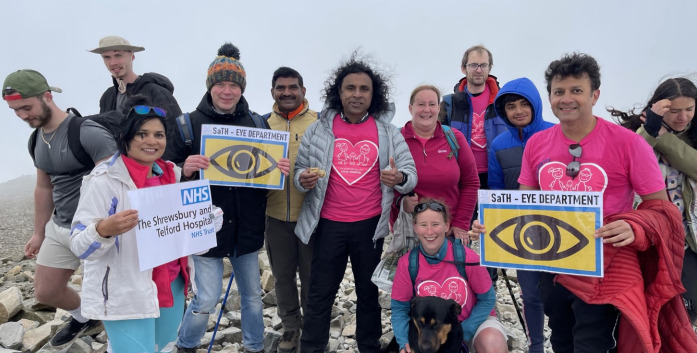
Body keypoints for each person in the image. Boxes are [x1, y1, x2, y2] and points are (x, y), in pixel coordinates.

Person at [474, 53, 697, 352]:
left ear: (595, 95)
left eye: (576, 90)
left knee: (593, 343)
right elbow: (524, 205)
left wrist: (636, 227)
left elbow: (660, 210)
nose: (566, 99)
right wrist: (493, 224)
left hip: (606, 267)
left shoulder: (628, 143)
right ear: (550, 97)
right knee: (562, 340)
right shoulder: (537, 144)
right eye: (559, 91)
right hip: (552, 266)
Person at [168, 43, 290, 353]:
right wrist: (184, 169)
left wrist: (278, 169)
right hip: (204, 229)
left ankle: (254, 347)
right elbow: (162, 172)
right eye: (220, 84)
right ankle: (186, 345)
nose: (227, 91)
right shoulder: (187, 124)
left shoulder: (258, 124)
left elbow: (263, 180)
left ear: (241, 88)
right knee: (206, 297)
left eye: (233, 84)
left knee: (251, 295)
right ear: (210, 86)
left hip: (247, 227)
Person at [293, 53, 417, 353]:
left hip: (370, 228)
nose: (357, 94)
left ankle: (368, 347)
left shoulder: (388, 132)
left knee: (368, 293)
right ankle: (311, 347)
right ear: (339, 92)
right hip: (328, 225)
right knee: (320, 294)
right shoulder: (320, 129)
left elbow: (411, 176)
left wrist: (398, 177)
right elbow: (300, 170)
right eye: (350, 88)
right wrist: (302, 180)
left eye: (364, 89)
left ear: (374, 95)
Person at [70, 100, 204, 352]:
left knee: (162, 347)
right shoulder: (103, 181)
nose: (151, 141)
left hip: (171, 283)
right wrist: (103, 230)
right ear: (125, 137)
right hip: (125, 292)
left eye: (158, 135)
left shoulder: (171, 174)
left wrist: (205, 221)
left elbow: (180, 232)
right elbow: (78, 245)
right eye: (142, 134)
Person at [3, 69, 115, 346]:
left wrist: (108, 228)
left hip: (96, 229)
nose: (22, 115)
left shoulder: (86, 132)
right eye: (15, 110)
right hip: (60, 225)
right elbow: (44, 187)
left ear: (47, 96)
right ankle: (84, 317)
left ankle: (119, 338)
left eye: (26, 107)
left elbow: (118, 180)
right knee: (45, 291)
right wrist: (39, 232)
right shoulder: (36, 140)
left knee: (109, 297)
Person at [610, 77, 697, 324]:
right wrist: (649, 133)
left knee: (687, 307)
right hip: (643, 235)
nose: (682, 117)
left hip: (687, 237)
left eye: (689, 109)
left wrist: (665, 139)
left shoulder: (693, 135)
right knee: (647, 307)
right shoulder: (635, 133)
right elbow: (623, 166)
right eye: (674, 110)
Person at [486, 77, 554, 353]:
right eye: (511, 106)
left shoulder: (557, 133)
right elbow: (496, 191)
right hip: (522, 231)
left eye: (524, 104)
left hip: (561, 227)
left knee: (564, 294)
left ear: (536, 104)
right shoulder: (499, 145)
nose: (518, 111)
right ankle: (535, 345)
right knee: (531, 295)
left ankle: (566, 343)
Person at [391, 199, 508, 353]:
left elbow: (488, 299)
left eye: (435, 224)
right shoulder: (408, 263)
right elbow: (399, 308)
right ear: (415, 227)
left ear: (446, 226)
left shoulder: (466, 257)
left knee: (492, 344)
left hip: (472, 323)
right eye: (423, 225)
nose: (430, 231)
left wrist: (462, 333)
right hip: (428, 330)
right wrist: (403, 341)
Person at [265, 67, 318, 353]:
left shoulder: (320, 123)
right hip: (274, 215)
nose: (287, 92)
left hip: (311, 216)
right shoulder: (261, 124)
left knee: (312, 275)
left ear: (303, 90)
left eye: (292, 87)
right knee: (282, 275)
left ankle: (312, 326)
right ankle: (289, 326)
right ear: (272, 91)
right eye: (280, 88)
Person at [393, 85, 479, 241]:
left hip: (449, 232)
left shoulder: (454, 138)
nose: (427, 110)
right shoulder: (396, 140)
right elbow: (385, 184)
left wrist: (461, 224)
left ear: (439, 108)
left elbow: (471, 183)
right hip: (409, 233)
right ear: (410, 108)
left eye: (432, 104)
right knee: (409, 266)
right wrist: (400, 202)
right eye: (421, 104)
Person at [89, 35, 183, 161]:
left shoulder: (155, 91)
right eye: (107, 57)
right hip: (122, 171)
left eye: (118, 55)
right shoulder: (107, 97)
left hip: (156, 172)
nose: (113, 62)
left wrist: (162, 172)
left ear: (132, 56)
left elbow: (174, 136)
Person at [440, 45, 507, 195]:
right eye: (473, 65)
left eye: (483, 65)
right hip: (462, 177)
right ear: (463, 68)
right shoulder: (450, 104)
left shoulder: (504, 101)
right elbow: (438, 139)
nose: (478, 70)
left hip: (497, 176)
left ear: (489, 68)